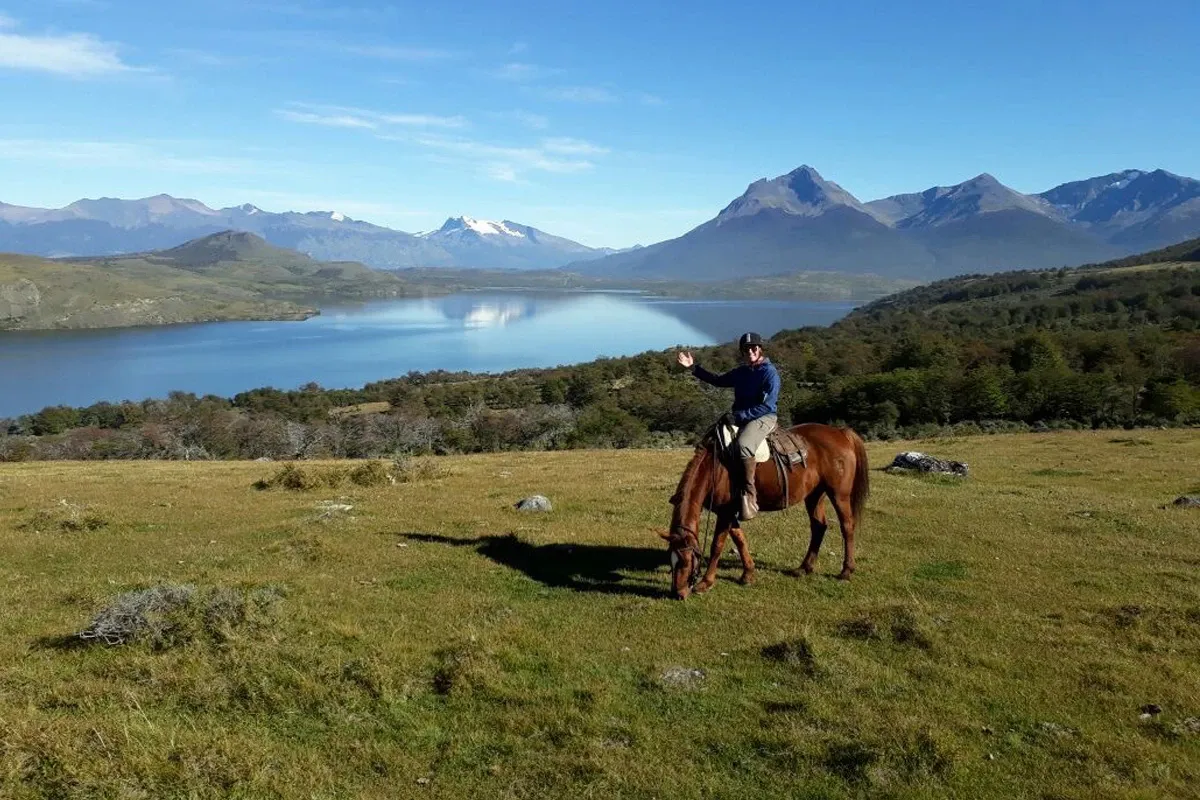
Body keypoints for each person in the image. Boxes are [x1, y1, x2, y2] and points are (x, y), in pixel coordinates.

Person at [676, 332, 781, 520]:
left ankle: (749, 494)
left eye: (753, 348)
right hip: (741, 417)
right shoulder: (742, 372)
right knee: (712, 439)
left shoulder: (769, 373)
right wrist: (693, 367)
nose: (750, 352)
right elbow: (717, 380)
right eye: (746, 349)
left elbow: (767, 405)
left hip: (763, 417)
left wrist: (740, 416)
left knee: (744, 445)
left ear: (760, 349)